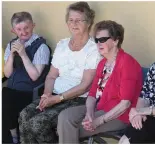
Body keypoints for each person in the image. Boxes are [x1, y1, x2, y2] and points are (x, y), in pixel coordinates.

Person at [18, 2, 102, 143]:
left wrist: (56, 99)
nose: (73, 23)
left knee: (38, 123)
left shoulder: (94, 49)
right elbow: (51, 76)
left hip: (79, 100)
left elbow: (85, 86)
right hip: (54, 95)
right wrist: (46, 94)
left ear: (88, 23)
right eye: (70, 20)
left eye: (78, 20)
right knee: (24, 115)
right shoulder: (62, 44)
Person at [57, 20, 143, 143]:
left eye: (103, 39)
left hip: (120, 116)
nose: (98, 43)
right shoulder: (103, 63)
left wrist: (98, 121)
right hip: (100, 108)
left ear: (115, 40)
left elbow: (125, 104)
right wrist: (89, 113)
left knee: (68, 129)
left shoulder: (127, 63)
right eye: (97, 40)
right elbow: (92, 95)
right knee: (65, 117)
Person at [2, 11, 51, 144]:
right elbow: (7, 74)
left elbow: (35, 76)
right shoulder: (11, 45)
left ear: (33, 26)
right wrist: (12, 55)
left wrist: (23, 55)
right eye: (19, 29)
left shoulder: (42, 47)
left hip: (29, 93)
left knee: (4, 96)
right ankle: (9, 136)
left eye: (26, 28)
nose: (23, 32)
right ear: (13, 30)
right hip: (11, 91)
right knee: (5, 96)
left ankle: (13, 138)